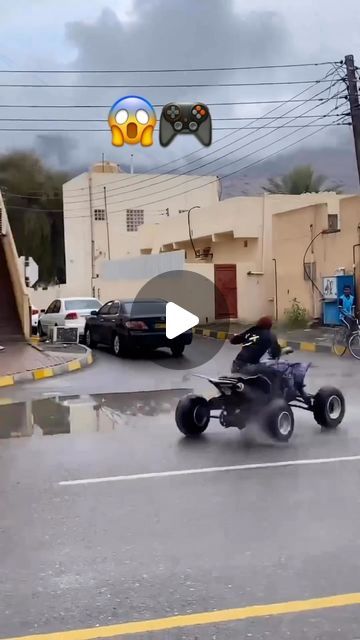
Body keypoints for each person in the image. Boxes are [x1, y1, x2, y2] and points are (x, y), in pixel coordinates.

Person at [229, 316, 284, 393]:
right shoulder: (270, 335)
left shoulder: (251, 331)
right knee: (274, 371)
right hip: (249, 367)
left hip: (235, 365)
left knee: (259, 367)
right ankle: (274, 395)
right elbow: (275, 353)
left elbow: (233, 341)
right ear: (270, 326)